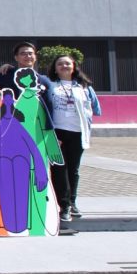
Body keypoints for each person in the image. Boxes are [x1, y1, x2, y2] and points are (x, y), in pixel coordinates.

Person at [47, 54, 102, 221]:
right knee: (58, 169)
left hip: (78, 133)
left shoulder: (84, 87)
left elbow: (95, 109)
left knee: (74, 169)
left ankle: (72, 202)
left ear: (74, 66)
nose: (64, 66)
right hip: (57, 133)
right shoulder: (50, 85)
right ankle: (63, 206)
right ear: (55, 68)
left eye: (67, 63)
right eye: (60, 64)